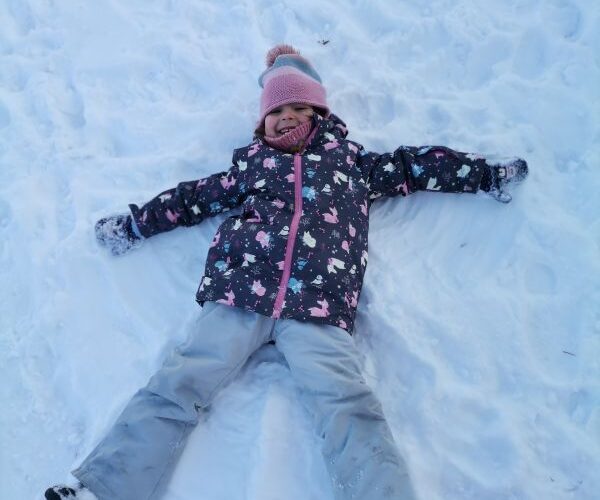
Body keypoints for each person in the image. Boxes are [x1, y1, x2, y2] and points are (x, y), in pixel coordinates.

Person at [45, 44, 528, 500]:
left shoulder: (353, 164)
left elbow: (414, 166)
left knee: (346, 403)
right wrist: (135, 224)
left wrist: (483, 174)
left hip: (316, 308)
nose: (286, 116)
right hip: (239, 297)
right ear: (262, 123)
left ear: (320, 114)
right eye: (275, 111)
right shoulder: (251, 169)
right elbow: (191, 199)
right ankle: (104, 488)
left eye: (297, 106)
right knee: (178, 383)